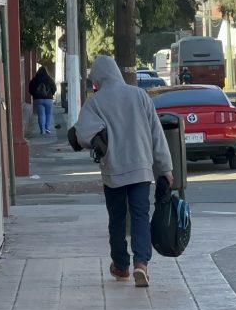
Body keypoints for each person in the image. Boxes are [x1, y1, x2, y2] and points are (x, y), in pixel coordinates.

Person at [72, 55, 174, 288]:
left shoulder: (95, 103)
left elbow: (82, 135)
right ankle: (141, 264)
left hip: (114, 170)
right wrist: (165, 168)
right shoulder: (139, 96)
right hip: (141, 168)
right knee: (140, 215)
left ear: (98, 77)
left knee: (116, 218)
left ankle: (121, 265)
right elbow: (156, 134)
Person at [28, 67, 57, 134]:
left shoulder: (34, 80)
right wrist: (50, 94)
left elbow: (30, 89)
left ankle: (42, 130)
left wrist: (35, 95)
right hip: (48, 99)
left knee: (41, 114)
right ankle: (48, 128)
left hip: (38, 99)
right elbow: (54, 88)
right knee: (48, 114)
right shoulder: (50, 79)